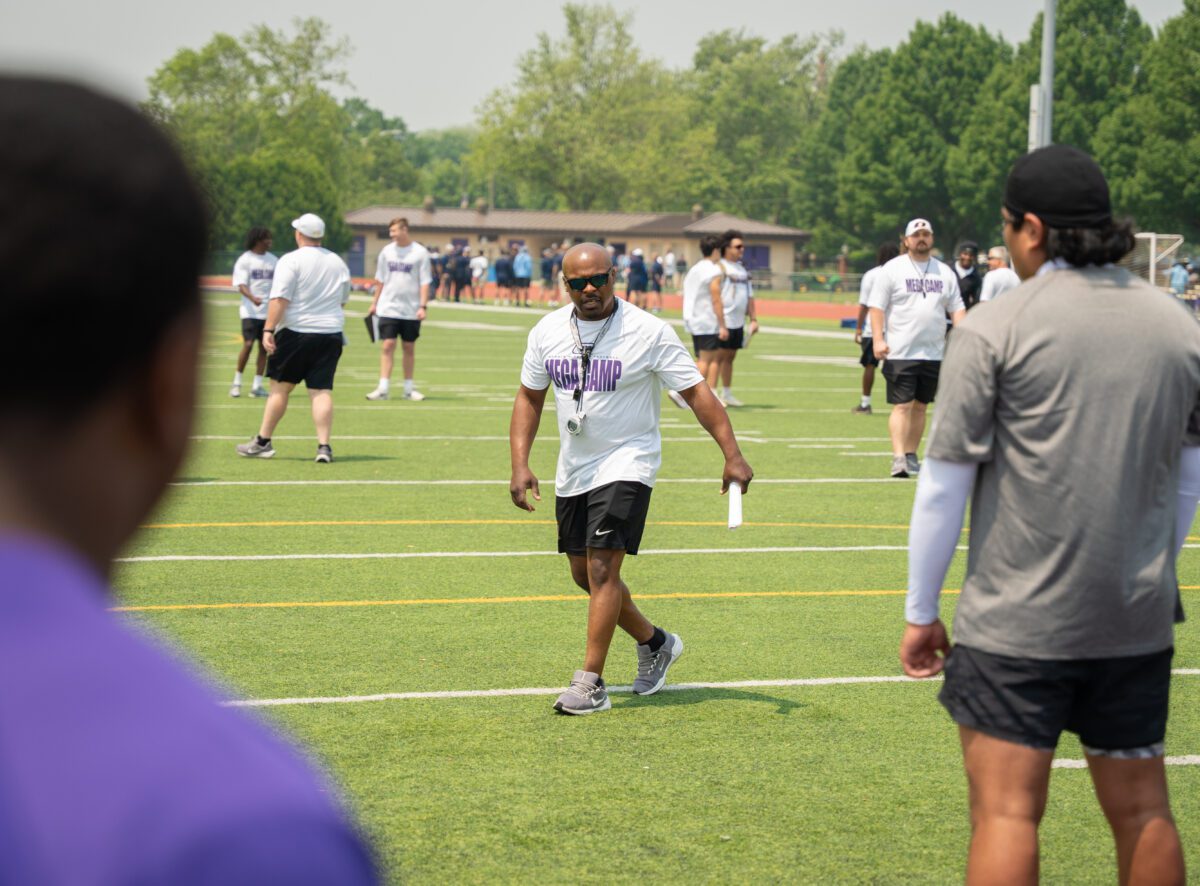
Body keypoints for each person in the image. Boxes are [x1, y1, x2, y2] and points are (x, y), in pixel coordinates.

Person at [0, 76, 377, 884]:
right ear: (167, 391)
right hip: (333, 336)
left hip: (289, 330)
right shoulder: (235, 824)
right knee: (319, 400)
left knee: (278, 396)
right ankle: (315, 448)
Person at [900, 144, 1198, 886]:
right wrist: (1151, 570)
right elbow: (1189, 477)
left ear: (1030, 228)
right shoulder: (1178, 326)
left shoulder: (995, 327)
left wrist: (920, 609)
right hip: (1134, 614)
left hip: (1018, 619)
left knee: (1006, 815)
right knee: (1145, 812)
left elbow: (943, 486)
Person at [509, 242, 753, 715]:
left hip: (628, 462)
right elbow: (529, 398)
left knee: (604, 569)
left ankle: (589, 683)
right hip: (575, 467)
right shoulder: (547, 331)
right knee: (584, 575)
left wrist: (732, 454)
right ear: (565, 285)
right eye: (578, 283)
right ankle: (655, 642)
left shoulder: (648, 331)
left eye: (598, 279)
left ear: (614, 276)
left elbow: (698, 393)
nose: (589, 290)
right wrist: (520, 463)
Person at [236, 212, 351, 464]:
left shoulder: (290, 260)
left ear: (299, 234)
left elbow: (280, 299)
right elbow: (343, 299)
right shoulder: (337, 262)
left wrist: (268, 329)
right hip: (331, 332)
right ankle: (324, 446)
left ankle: (263, 441)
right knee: (321, 390)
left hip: (296, 332)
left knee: (280, 388)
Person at [867, 218, 966, 478]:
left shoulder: (944, 272)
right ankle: (898, 457)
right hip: (901, 350)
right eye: (917, 234)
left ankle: (911, 454)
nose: (922, 238)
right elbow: (876, 307)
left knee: (921, 406)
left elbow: (957, 308)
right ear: (907, 240)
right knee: (902, 405)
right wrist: (878, 338)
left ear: (931, 238)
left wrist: (963, 337)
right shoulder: (892, 269)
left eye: (926, 234)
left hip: (933, 351)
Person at [366, 217, 431, 402]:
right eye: (390, 231)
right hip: (388, 307)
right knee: (387, 345)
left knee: (409, 347)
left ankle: (409, 389)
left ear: (405, 230)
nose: (391, 234)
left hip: (411, 309)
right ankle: (383, 387)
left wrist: (422, 306)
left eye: (394, 231)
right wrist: (374, 302)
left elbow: (425, 281)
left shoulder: (420, 252)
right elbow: (380, 279)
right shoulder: (386, 252)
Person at [675, 234, 727, 408]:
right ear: (716, 250)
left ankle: (707, 394)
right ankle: (680, 392)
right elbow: (716, 298)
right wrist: (722, 324)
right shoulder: (713, 270)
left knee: (703, 357)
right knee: (708, 360)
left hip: (693, 318)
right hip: (707, 319)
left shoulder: (695, 268)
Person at [851, 242, 900, 414]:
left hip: (873, 329)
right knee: (897, 367)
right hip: (897, 329)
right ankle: (901, 403)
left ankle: (865, 403)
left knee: (870, 366)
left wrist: (858, 328)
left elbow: (864, 305)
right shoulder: (900, 274)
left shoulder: (871, 275)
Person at [230, 226, 276, 399]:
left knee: (265, 348)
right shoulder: (245, 260)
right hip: (250, 312)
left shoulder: (274, 261)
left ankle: (257, 386)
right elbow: (241, 285)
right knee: (248, 345)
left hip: (268, 313)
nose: (270, 242)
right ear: (257, 240)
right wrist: (252, 298)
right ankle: (237, 383)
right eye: (267, 238)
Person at [717, 230, 758, 407]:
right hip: (723, 319)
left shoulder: (742, 269)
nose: (742, 249)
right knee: (715, 358)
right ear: (727, 248)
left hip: (738, 321)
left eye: (742, 246)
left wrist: (754, 319)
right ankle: (710, 392)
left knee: (730, 357)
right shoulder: (720, 267)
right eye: (738, 246)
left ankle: (726, 392)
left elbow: (750, 296)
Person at [953, 240, 983, 309]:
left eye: (971, 255)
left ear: (975, 257)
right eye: (965, 254)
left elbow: (976, 302)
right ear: (960, 254)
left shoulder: (976, 278)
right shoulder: (949, 269)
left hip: (963, 315)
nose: (967, 257)